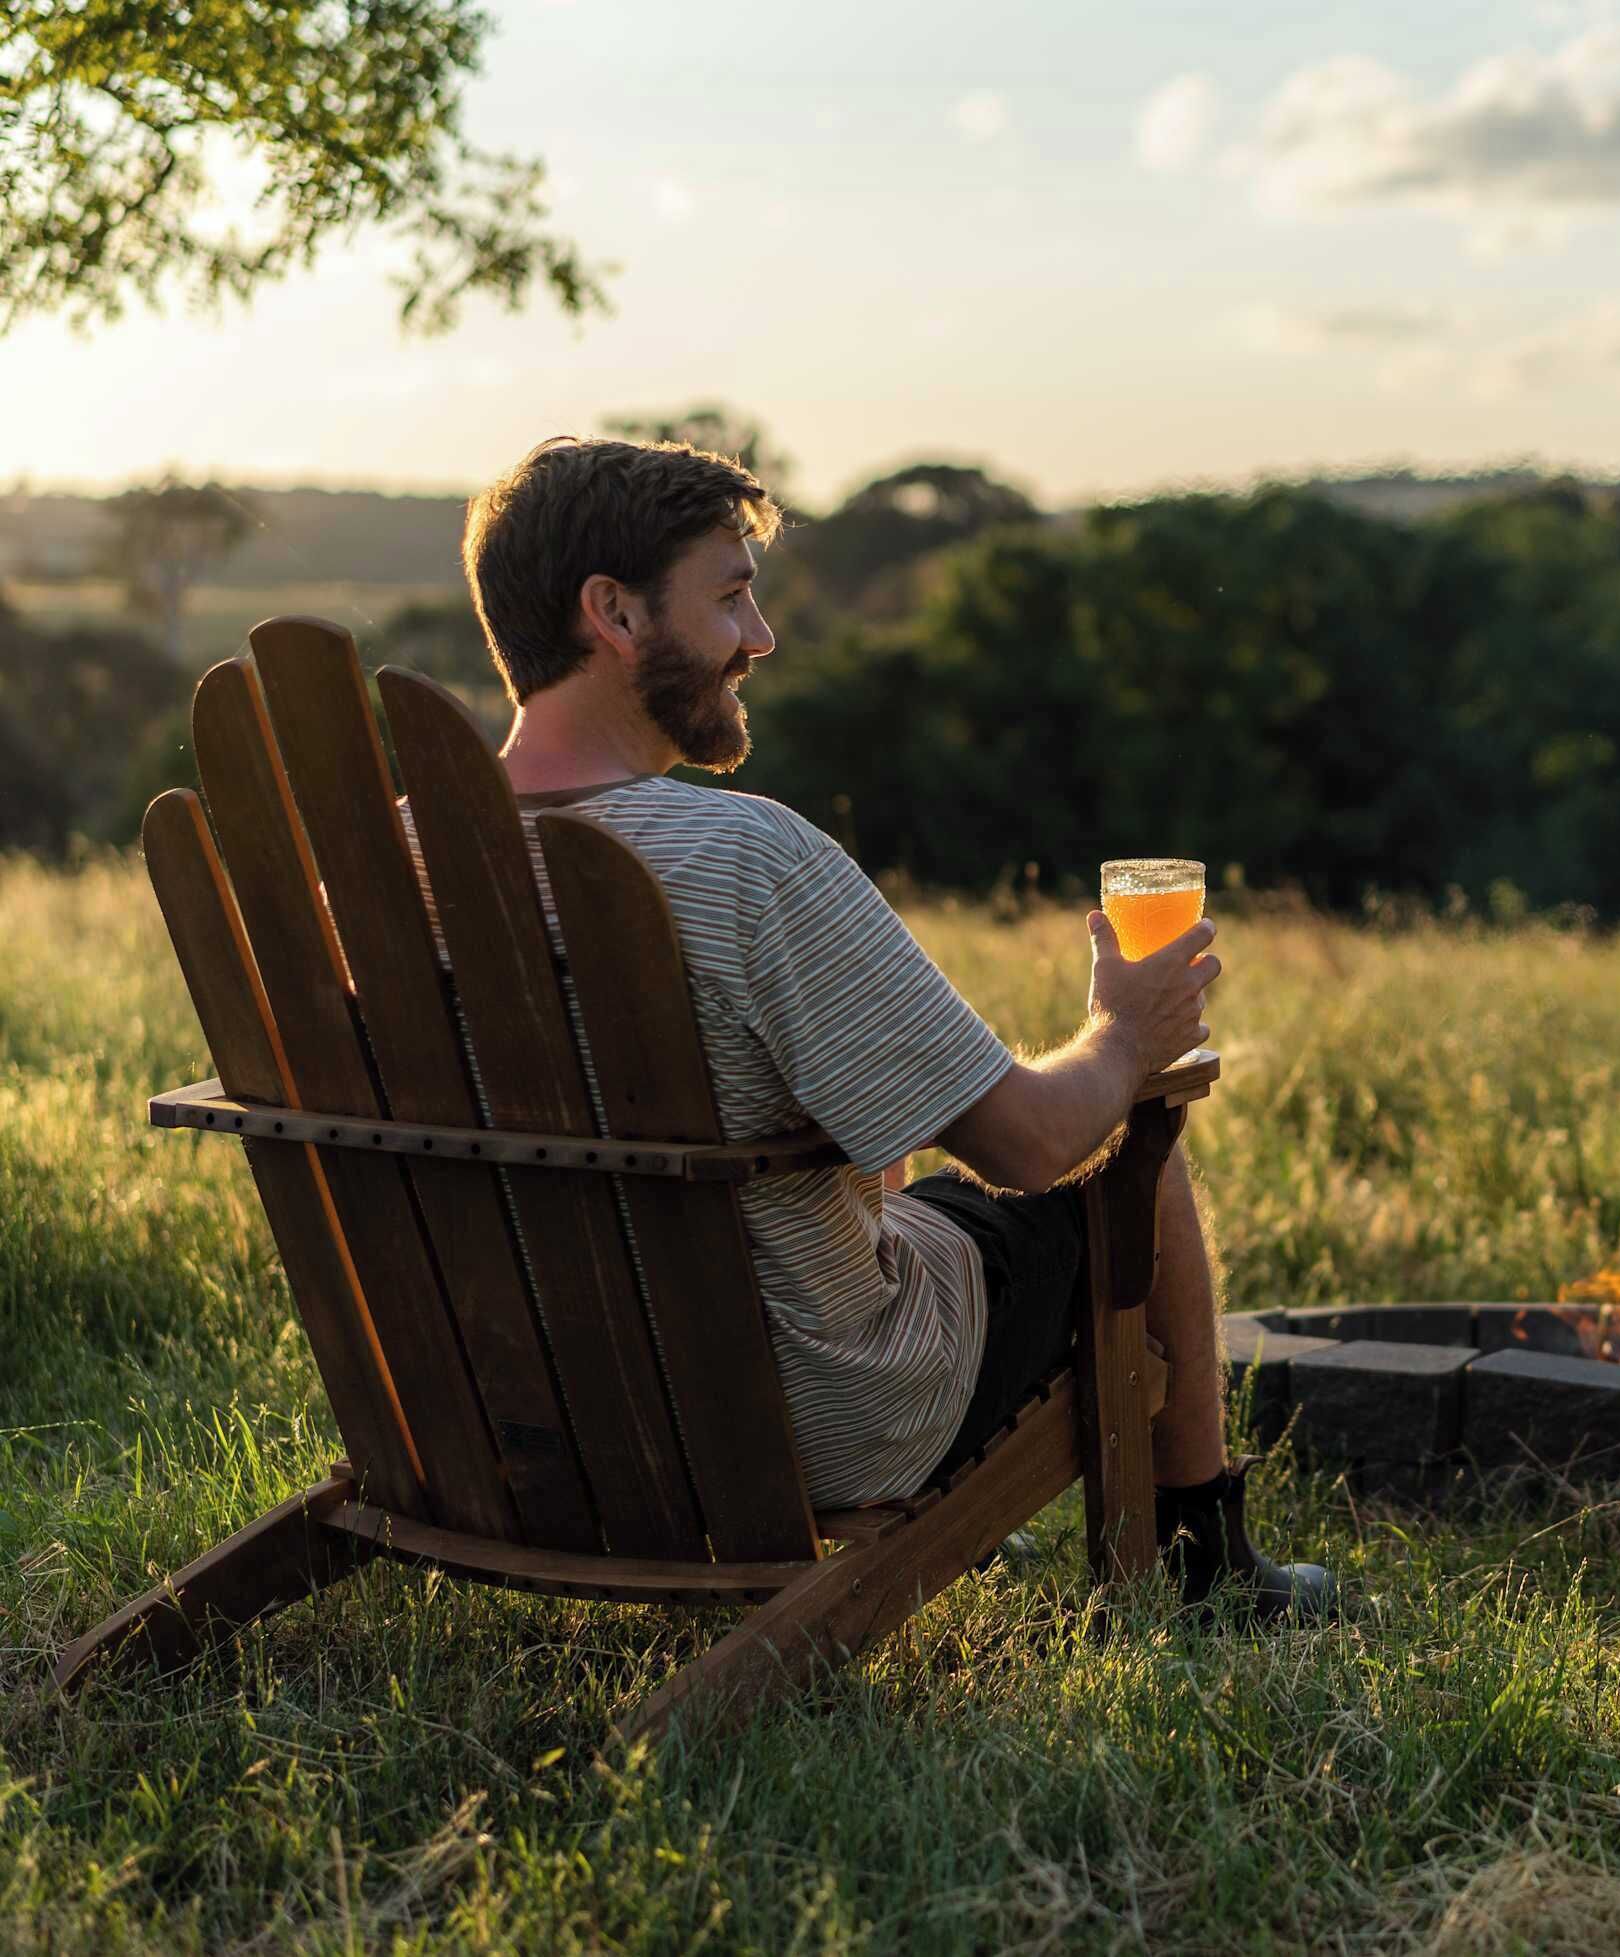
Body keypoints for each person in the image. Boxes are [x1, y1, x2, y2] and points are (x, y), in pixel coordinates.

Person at [436, 434, 1328, 1620]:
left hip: (498, 1406)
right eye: (730, 597)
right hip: (784, 1419)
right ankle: (1204, 1566)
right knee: (1133, 1153)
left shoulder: (392, 859)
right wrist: (1123, 1034)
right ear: (615, 613)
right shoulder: (741, 856)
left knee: (907, 1191)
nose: (760, 637)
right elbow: (1026, 1143)